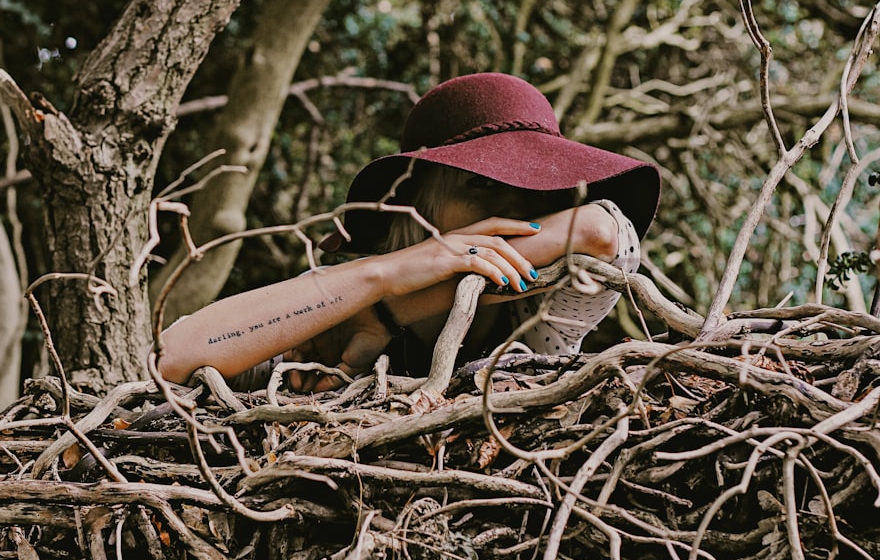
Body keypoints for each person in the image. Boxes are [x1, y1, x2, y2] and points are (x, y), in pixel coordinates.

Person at [158, 73, 660, 391]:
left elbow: (600, 228)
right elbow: (176, 355)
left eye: (533, 191)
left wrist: (393, 311)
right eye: (480, 188)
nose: (508, 209)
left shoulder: (544, 311)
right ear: (413, 204)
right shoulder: (337, 303)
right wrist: (384, 275)